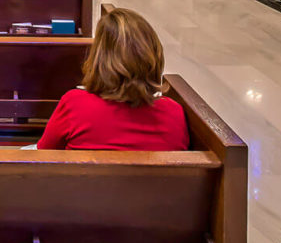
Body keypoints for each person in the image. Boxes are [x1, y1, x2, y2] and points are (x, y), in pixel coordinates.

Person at [37, 8, 189, 151]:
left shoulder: (74, 105)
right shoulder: (174, 114)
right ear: (154, 56)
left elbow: (43, 157)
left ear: (99, 59)